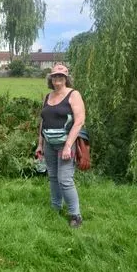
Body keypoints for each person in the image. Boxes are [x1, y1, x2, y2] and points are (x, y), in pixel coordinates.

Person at [35, 63, 85, 228]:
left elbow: (79, 121)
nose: (58, 80)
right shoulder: (47, 97)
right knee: (53, 177)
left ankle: (75, 215)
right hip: (49, 144)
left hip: (66, 143)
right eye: (55, 77)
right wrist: (40, 144)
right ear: (51, 79)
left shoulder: (73, 95)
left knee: (65, 180)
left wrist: (68, 145)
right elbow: (43, 121)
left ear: (66, 79)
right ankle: (55, 207)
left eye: (61, 77)